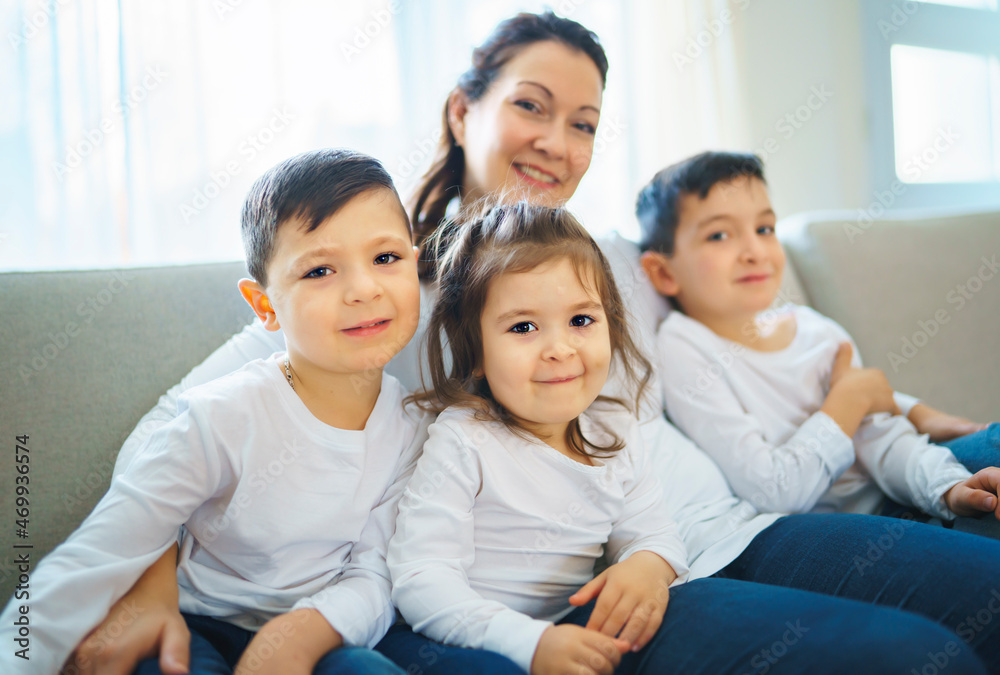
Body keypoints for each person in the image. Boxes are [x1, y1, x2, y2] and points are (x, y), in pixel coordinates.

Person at [62, 10, 1000, 675]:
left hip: (716, 525)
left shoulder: (616, 259)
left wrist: (910, 422)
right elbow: (181, 430)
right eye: (533, 106)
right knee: (925, 657)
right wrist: (149, 584)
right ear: (463, 112)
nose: (559, 141)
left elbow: (747, 360)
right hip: (585, 585)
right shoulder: (381, 291)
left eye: (584, 123)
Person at [382, 200, 988, 675]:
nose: (560, 347)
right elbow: (422, 577)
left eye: (581, 321)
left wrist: (648, 565)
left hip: (611, 603)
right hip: (516, 633)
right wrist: (530, 642)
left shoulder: (611, 427)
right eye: (522, 327)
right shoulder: (464, 439)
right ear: (477, 355)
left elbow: (651, 529)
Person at [0, 148, 446, 675]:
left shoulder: (416, 430)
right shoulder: (220, 415)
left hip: (319, 630)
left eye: (386, 259)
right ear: (264, 306)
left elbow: (376, 573)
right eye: (320, 269)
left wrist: (298, 637)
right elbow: (97, 556)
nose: (364, 289)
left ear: (414, 264)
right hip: (198, 620)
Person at [636, 150, 1000, 530]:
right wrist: (850, 400)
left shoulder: (816, 332)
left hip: (898, 490)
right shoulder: (683, 346)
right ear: (662, 273)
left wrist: (947, 488)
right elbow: (772, 492)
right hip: (841, 531)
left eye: (764, 229)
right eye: (719, 235)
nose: (755, 252)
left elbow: (884, 440)